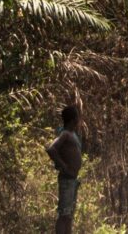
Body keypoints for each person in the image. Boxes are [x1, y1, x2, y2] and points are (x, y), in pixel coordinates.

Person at [47, 97, 89, 234]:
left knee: (69, 215)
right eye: (77, 117)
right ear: (73, 120)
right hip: (66, 179)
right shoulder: (65, 134)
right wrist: (63, 166)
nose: (79, 120)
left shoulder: (73, 134)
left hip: (72, 180)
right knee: (64, 214)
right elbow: (51, 149)